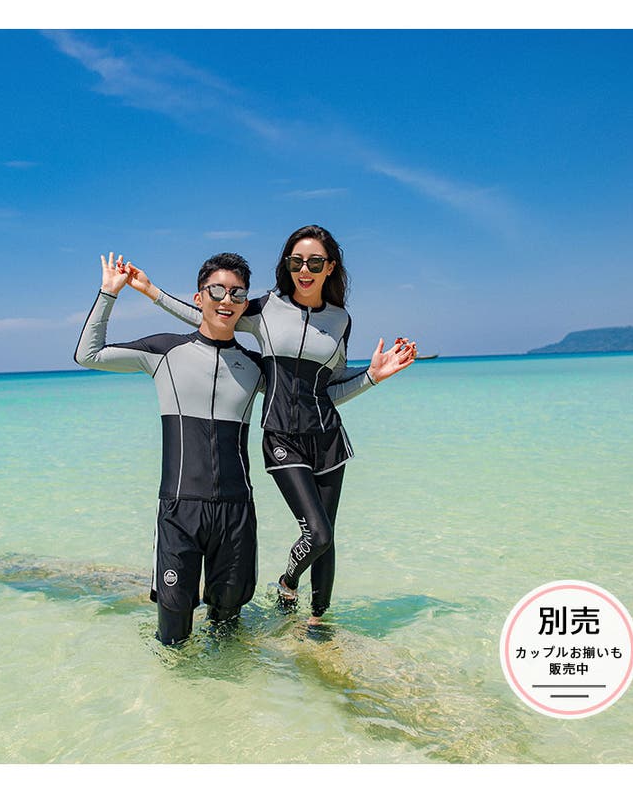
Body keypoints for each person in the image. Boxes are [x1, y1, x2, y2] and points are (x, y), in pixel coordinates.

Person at [122, 224, 416, 626]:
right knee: (317, 533)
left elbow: (330, 386)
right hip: (281, 437)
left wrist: (372, 376)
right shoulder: (265, 308)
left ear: (330, 267)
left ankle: (318, 621)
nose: (305, 270)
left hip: (328, 437)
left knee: (326, 537)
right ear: (287, 265)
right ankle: (287, 583)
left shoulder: (341, 320)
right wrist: (151, 292)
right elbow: (210, 312)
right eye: (296, 261)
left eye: (315, 262)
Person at [74, 251, 264, 645]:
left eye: (237, 293)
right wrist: (109, 293)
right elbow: (88, 355)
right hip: (180, 512)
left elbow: (308, 396)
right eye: (217, 290)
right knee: (173, 639)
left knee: (229, 637)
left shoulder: (256, 366)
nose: (227, 300)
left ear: (245, 303)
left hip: (237, 513)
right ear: (199, 298)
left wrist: (372, 376)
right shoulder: (164, 352)